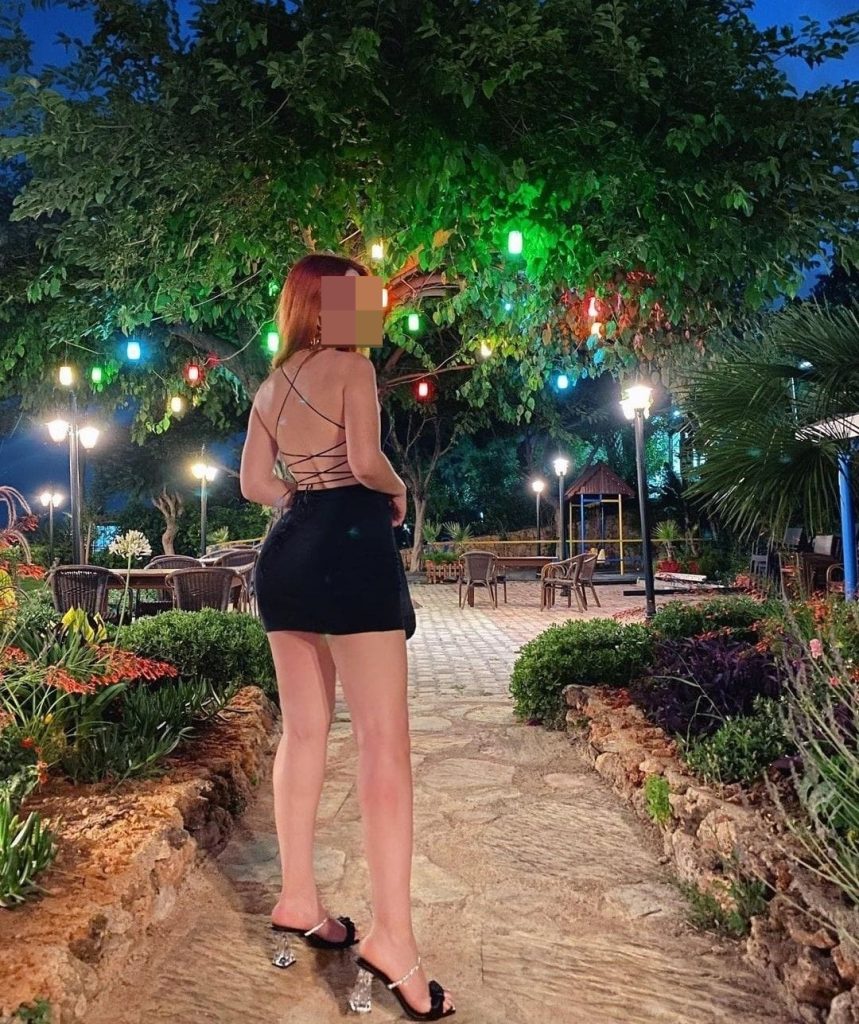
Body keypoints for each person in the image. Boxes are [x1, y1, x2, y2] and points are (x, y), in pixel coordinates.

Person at [240, 252, 455, 1021]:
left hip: (287, 553)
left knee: (302, 731)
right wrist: (394, 492)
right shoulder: (353, 368)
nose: (371, 313)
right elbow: (364, 460)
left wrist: (302, 497)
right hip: (351, 549)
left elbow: (255, 485)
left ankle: (298, 898)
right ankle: (392, 940)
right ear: (329, 305)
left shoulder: (270, 386)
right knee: (382, 743)